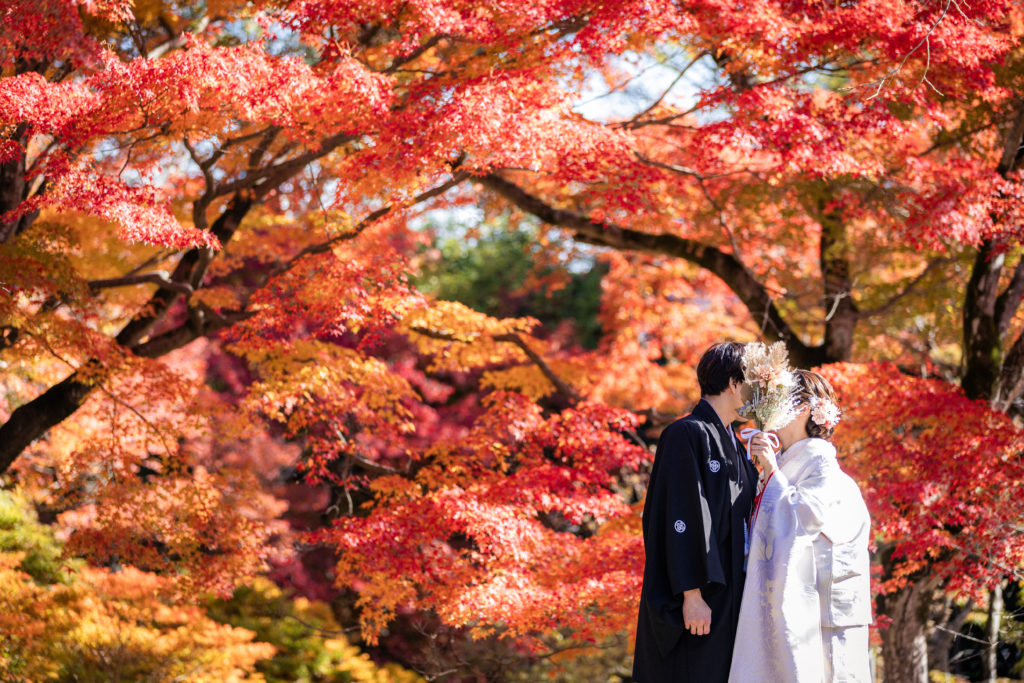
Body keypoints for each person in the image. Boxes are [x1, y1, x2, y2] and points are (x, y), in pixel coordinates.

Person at [729, 370, 872, 683]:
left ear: (806, 408)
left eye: (778, 398)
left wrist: (771, 470)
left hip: (825, 613)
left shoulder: (824, 469)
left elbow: (803, 518)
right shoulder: (786, 464)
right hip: (795, 608)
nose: (769, 406)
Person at [633, 342, 759, 682]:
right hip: (697, 596)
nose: (757, 394)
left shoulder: (736, 442)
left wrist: (761, 465)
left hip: (731, 592)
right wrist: (691, 594)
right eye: (753, 383)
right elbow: (681, 515)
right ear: (734, 383)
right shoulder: (686, 433)